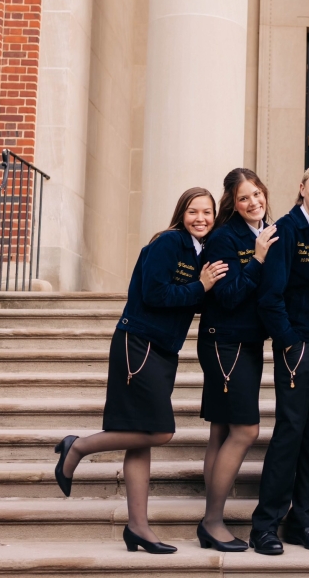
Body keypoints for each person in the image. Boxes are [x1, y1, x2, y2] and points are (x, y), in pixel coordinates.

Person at [53, 188, 228, 554]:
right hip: (139, 344)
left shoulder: (200, 251)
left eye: (208, 212)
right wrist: (202, 286)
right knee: (160, 432)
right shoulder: (169, 244)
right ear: (181, 213)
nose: (201, 218)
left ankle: (138, 527)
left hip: (163, 349)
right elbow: (154, 294)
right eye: (194, 211)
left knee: (140, 435)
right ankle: (78, 446)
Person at [249, 164, 309, 555]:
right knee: (290, 433)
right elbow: (270, 296)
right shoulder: (284, 231)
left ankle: (302, 520)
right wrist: (290, 342)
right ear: (301, 188)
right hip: (298, 348)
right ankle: (265, 525)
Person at [196, 169, 279, 552]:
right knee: (246, 431)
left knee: (221, 431)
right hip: (224, 342)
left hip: (246, 341)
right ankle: (213, 522)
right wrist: (259, 259)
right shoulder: (225, 238)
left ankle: (210, 519)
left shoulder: (267, 229)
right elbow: (227, 296)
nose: (253, 202)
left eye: (257, 194)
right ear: (233, 202)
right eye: (244, 198)